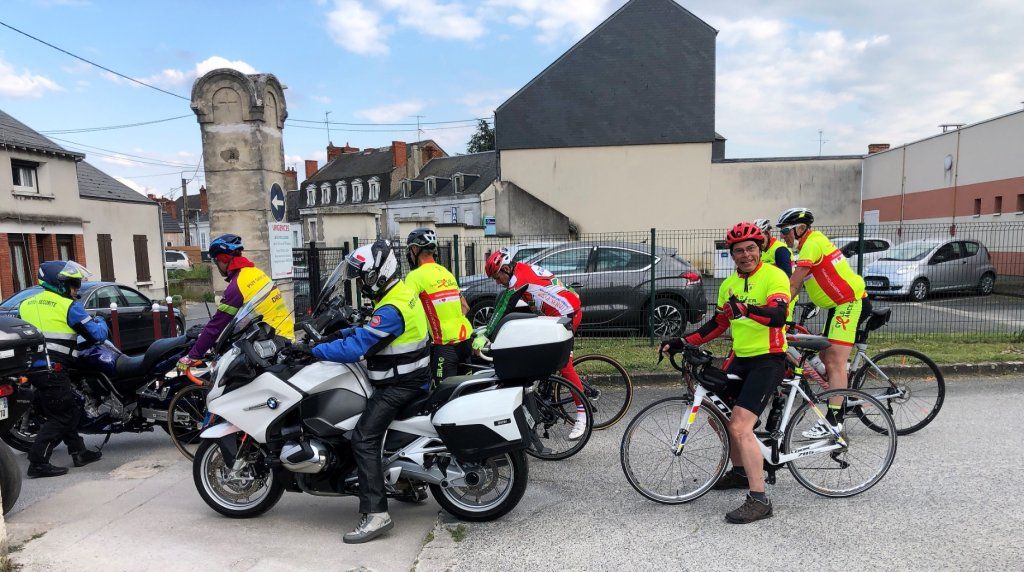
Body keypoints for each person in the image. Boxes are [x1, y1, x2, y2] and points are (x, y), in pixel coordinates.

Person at [661, 222, 790, 524]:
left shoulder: (774, 276)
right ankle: (741, 471)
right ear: (731, 255)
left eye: (750, 249)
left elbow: (778, 316)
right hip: (741, 358)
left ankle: (760, 500)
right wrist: (681, 341)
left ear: (760, 250)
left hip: (769, 359)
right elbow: (718, 325)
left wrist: (746, 310)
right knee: (717, 416)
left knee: (741, 426)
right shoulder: (728, 284)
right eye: (739, 251)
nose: (745, 255)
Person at [310, 240, 431, 544]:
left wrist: (315, 350)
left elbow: (358, 347)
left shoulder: (392, 306)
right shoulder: (399, 293)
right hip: (411, 377)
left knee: (363, 438)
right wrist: (341, 331)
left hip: (399, 385)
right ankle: (407, 484)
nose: (361, 283)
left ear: (378, 272)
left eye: (363, 276)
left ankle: (376, 514)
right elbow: (369, 332)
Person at [775, 208, 866, 437]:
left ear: (800, 228)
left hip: (849, 303)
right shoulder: (809, 244)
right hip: (836, 306)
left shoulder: (812, 244)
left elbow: (794, 285)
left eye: (785, 230)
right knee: (826, 358)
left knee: (834, 362)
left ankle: (834, 420)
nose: (782, 236)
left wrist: (776, 311)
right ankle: (842, 390)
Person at [483, 247, 588, 440]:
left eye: (497, 277)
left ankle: (582, 415)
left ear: (506, 269)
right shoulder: (520, 270)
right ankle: (546, 391)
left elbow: (504, 306)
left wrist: (487, 334)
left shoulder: (518, 279)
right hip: (554, 313)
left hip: (566, 314)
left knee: (565, 366)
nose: (498, 282)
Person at [17, 261, 106, 478]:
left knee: (68, 410)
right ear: (60, 285)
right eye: (73, 285)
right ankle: (37, 462)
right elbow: (97, 335)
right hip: (53, 369)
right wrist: (101, 321)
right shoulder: (68, 306)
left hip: (31, 368)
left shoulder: (26, 304)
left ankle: (79, 452)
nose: (76, 290)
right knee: (63, 416)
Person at [178, 234, 294, 368]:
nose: (217, 265)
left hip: (271, 345)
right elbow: (243, 319)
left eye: (216, 261)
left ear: (223, 259)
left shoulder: (237, 285)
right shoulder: (256, 273)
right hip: (284, 337)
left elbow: (216, 325)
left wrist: (193, 356)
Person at [403, 228, 473, 382]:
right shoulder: (446, 273)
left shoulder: (414, 277)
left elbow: (406, 311)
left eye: (409, 250)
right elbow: (465, 307)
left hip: (445, 347)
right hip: (466, 342)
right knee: (466, 396)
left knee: (442, 399)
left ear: (415, 249)